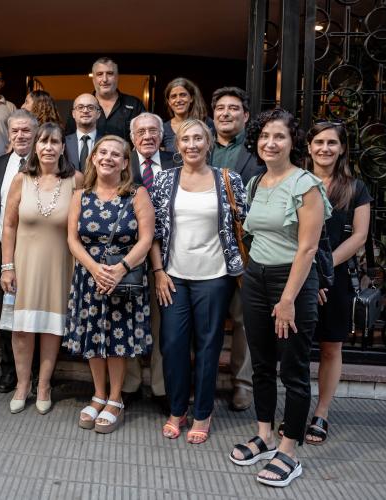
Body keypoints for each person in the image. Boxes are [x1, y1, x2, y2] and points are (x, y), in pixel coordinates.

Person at [229, 108, 331, 488]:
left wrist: (287, 299)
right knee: (261, 364)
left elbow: (307, 249)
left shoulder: (305, 185)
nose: (270, 143)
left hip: (293, 284)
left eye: (280, 137)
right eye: (264, 136)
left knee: (293, 368)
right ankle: (265, 435)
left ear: (293, 143)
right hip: (256, 278)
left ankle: (289, 451)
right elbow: (254, 235)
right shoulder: (256, 182)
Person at [149, 119, 246, 443]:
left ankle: (202, 413)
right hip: (174, 277)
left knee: (208, 346)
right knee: (173, 344)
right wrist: (159, 271)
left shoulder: (228, 179)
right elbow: (153, 232)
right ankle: (178, 410)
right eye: (185, 139)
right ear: (177, 146)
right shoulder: (164, 181)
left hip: (215, 277)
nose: (192, 144)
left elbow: (244, 226)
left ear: (208, 144)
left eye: (198, 139)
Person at [63, 135, 155, 434]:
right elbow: (72, 240)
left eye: (116, 154)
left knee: (116, 341)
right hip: (89, 279)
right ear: (93, 158)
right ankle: (98, 394)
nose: (108, 158)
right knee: (93, 339)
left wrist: (120, 269)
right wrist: (93, 269)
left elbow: (146, 239)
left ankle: (115, 399)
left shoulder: (137, 194)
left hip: (123, 279)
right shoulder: (80, 194)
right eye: (103, 152)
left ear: (126, 162)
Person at [0, 122, 84, 414]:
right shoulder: (21, 179)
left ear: (63, 147)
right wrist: (7, 267)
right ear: (35, 146)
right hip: (23, 264)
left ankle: (44, 384)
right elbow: (8, 225)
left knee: (51, 328)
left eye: (55, 142)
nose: (49, 147)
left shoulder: (76, 180)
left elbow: (81, 228)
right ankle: (23, 385)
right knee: (22, 329)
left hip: (60, 265)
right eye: (44, 142)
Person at [305, 121, 372, 445]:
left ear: (342, 148)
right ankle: (295, 410)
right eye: (318, 142)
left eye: (332, 142)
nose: (325, 148)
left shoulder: (355, 188)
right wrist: (307, 271)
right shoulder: (297, 182)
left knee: (331, 346)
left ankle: (322, 412)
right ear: (308, 147)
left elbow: (359, 235)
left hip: (336, 278)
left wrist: (323, 268)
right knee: (297, 348)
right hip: (298, 275)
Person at [209, 86, 266, 411]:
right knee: (207, 320)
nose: (226, 113)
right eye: (221, 108)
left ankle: (242, 384)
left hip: (246, 249)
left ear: (245, 116)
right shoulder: (201, 147)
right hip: (206, 250)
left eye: (233, 109)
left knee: (244, 320)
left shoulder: (257, 152)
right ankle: (202, 379)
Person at [121, 112, 174, 411]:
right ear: (132, 137)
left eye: (153, 130)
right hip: (127, 256)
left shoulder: (174, 162)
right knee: (127, 321)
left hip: (167, 258)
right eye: (141, 131)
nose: (147, 136)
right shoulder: (121, 161)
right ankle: (128, 384)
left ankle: (161, 387)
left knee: (161, 324)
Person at [0, 109, 38, 394]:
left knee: (35, 310)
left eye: (26, 130)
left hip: (38, 249)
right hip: (6, 247)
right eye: (15, 130)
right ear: (8, 133)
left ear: (35, 134)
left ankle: (36, 373)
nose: (20, 135)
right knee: (8, 312)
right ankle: (9, 370)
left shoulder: (47, 164)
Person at [65, 57, 145, 140]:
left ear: (117, 77)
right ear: (93, 79)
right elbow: (69, 140)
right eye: (99, 74)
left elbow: (144, 136)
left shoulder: (134, 105)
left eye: (110, 73)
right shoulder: (79, 106)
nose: (105, 79)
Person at [161, 77, 214, 162]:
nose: (178, 100)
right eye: (173, 96)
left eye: (183, 95)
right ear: (169, 102)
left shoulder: (206, 123)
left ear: (191, 98)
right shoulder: (163, 128)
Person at [65, 93, 100, 171]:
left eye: (90, 107)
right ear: (73, 113)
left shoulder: (106, 142)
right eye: (80, 107)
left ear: (98, 114)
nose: (85, 111)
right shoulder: (63, 142)